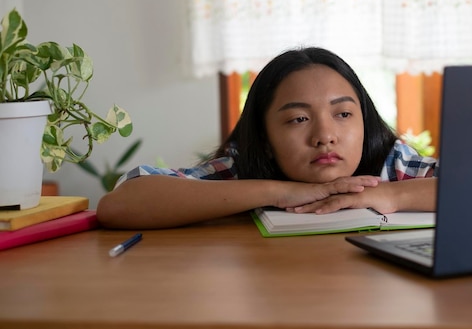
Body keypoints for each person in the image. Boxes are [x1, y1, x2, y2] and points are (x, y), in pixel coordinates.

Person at [96, 47, 438, 229]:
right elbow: (119, 205)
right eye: (299, 118)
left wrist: (390, 194)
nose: (325, 137)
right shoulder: (240, 169)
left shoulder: (389, 163)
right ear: (264, 136)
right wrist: (283, 191)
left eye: (343, 114)